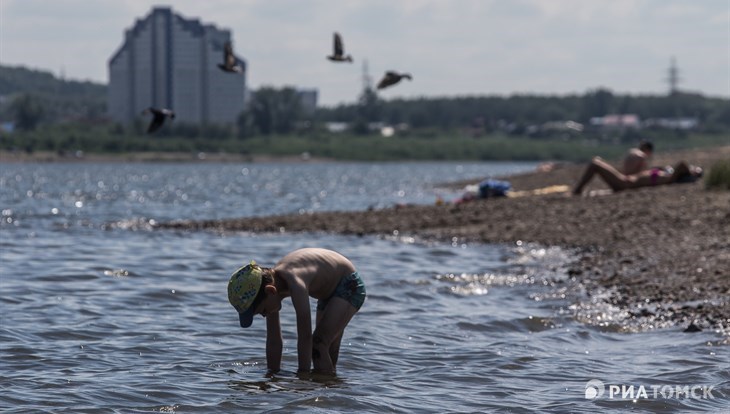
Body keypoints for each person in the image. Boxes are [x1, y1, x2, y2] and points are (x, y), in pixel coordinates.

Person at [227, 248, 366, 375]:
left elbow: (305, 337)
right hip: (327, 292)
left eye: (262, 311)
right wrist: (272, 374)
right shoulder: (271, 288)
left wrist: (302, 377)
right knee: (327, 351)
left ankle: (320, 391)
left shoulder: (295, 282)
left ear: (270, 291)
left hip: (348, 284)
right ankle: (331, 392)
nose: (264, 315)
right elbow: (274, 341)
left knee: (318, 344)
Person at [572, 156, 703, 195]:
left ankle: (577, 190)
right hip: (625, 179)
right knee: (597, 161)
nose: (692, 167)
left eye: (694, 169)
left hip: (624, 184)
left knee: (596, 164)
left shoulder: (671, 178)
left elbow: (682, 164)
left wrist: (693, 172)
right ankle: (578, 190)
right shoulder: (668, 174)